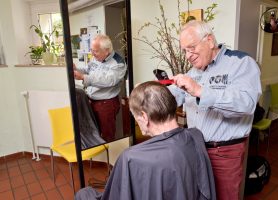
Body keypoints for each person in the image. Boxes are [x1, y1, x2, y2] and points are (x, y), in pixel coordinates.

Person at [168, 20, 262, 200]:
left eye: (192, 47)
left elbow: (246, 104)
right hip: (195, 149)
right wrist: (154, 91)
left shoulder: (242, 63)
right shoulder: (194, 70)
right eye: (185, 50)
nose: (188, 55)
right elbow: (176, 95)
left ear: (209, 40)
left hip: (223, 154)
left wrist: (199, 91)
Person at [75, 81, 216, 200]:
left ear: (144, 116)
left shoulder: (131, 158)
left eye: (135, 116)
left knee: (84, 194)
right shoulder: (195, 136)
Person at [74, 34, 127, 142]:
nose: (93, 53)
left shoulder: (118, 63)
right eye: (92, 50)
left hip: (106, 104)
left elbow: (108, 80)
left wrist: (84, 78)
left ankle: (108, 159)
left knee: (107, 135)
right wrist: (77, 69)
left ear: (106, 51)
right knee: (93, 133)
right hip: (91, 101)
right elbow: (87, 69)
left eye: (96, 51)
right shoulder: (96, 57)